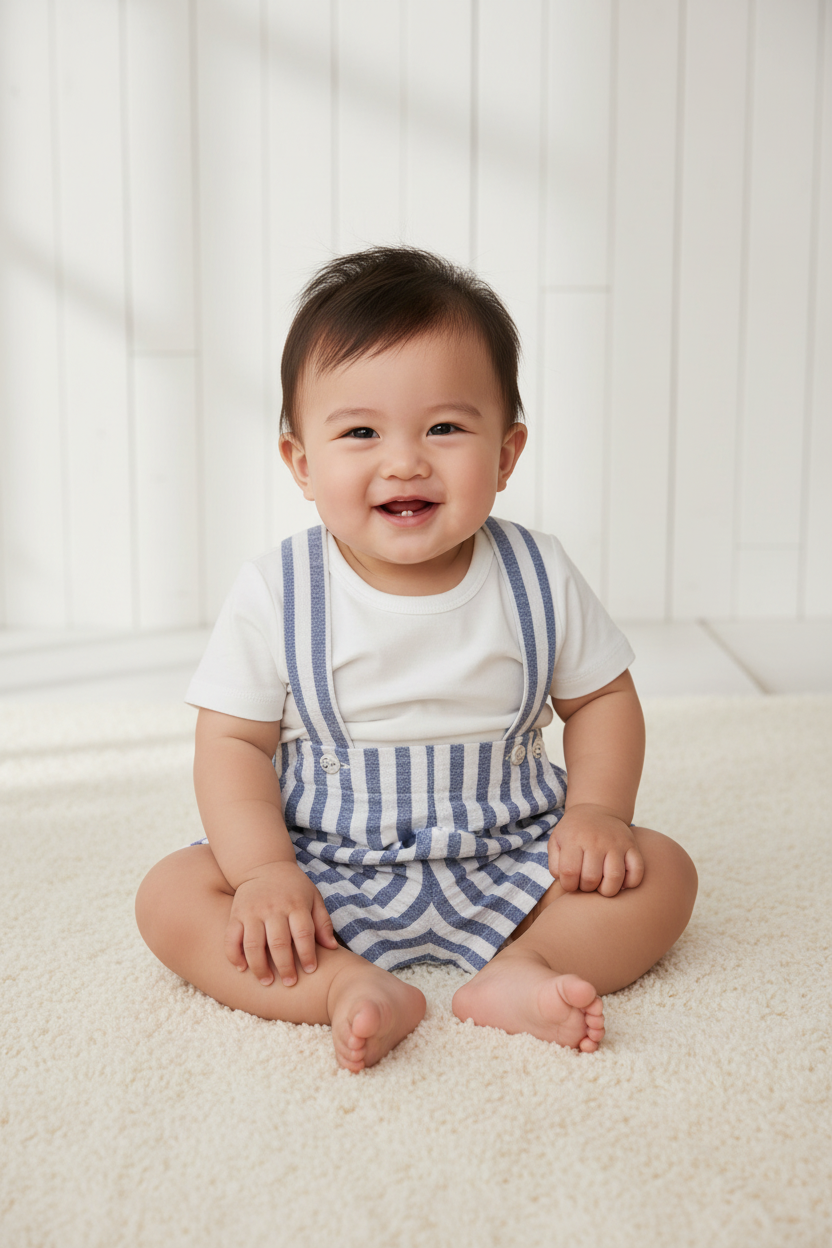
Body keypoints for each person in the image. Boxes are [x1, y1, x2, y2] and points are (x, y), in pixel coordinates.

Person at [135, 246, 698, 1073]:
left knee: (666, 874)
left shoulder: (537, 574)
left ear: (506, 455)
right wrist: (261, 874)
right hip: (327, 864)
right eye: (360, 432)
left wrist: (600, 815)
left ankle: (523, 969)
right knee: (171, 899)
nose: (405, 460)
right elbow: (232, 744)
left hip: (512, 852)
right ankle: (341, 986)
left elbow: (604, 700)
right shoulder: (278, 589)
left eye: (444, 427)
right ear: (302, 463)